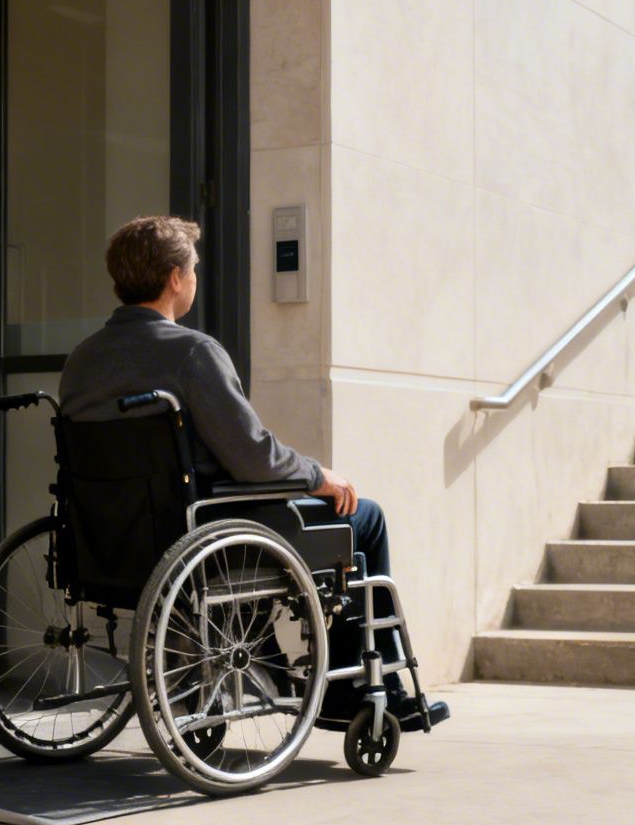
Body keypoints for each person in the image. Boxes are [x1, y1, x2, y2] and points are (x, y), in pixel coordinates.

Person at [59, 215, 390, 577]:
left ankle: (260, 635)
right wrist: (316, 474)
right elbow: (252, 458)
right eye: (192, 270)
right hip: (198, 537)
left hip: (105, 540)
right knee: (365, 516)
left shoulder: (80, 360)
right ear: (174, 278)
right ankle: (368, 636)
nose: (194, 279)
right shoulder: (192, 353)